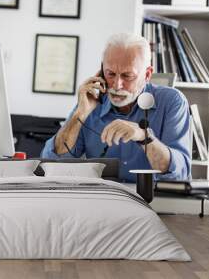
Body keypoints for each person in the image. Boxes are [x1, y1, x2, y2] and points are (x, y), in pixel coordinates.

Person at [41, 33, 191, 183]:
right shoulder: (92, 102)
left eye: (127, 76)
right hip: (103, 200)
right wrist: (80, 113)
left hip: (153, 202)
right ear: (101, 71)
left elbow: (179, 173)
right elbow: (50, 164)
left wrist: (144, 137)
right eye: (110, 74)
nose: (117, 85)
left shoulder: (172, 101)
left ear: (147, 74)